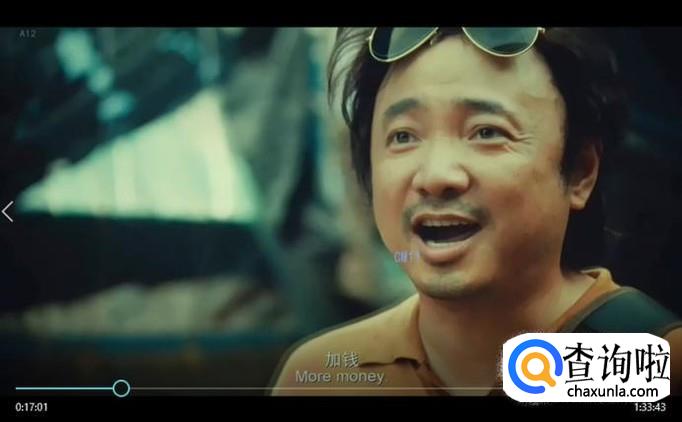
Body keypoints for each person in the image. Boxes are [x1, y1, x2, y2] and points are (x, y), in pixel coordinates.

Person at [271, 27, 682, 396]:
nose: (436, 175)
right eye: (403, 136)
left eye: (486, 132)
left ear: (580, 172)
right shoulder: (323, 375)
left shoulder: (654, 368)